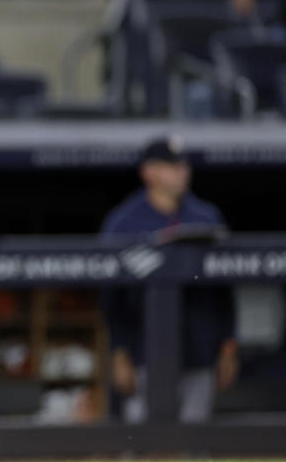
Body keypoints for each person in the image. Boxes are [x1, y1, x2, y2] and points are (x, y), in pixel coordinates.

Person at [100, 136, 238, 423]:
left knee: (193, 445)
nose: (181, 171)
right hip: (144, 350)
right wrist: (119, 352)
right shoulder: (124, 223)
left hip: (198, 349)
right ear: (148, 172)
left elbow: (224, 291)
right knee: (141, 443)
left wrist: (227, 347)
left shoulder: (206, 216)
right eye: (171, 166)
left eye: (183, 165)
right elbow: (110, 297)